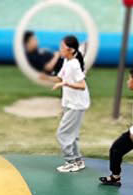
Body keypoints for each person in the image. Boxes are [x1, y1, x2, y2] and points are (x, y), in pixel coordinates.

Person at [50, 35, 89, 173]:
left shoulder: (74, 64)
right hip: (70, 103)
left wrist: (65, 84)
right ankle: (78, 161)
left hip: (76, 104)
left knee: (63, 133)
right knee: (72, 134)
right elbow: (59, 77)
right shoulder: (67, 61)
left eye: (62, 47)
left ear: (71, 50)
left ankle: (71, 161)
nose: (60, 49)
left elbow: (82, 85)